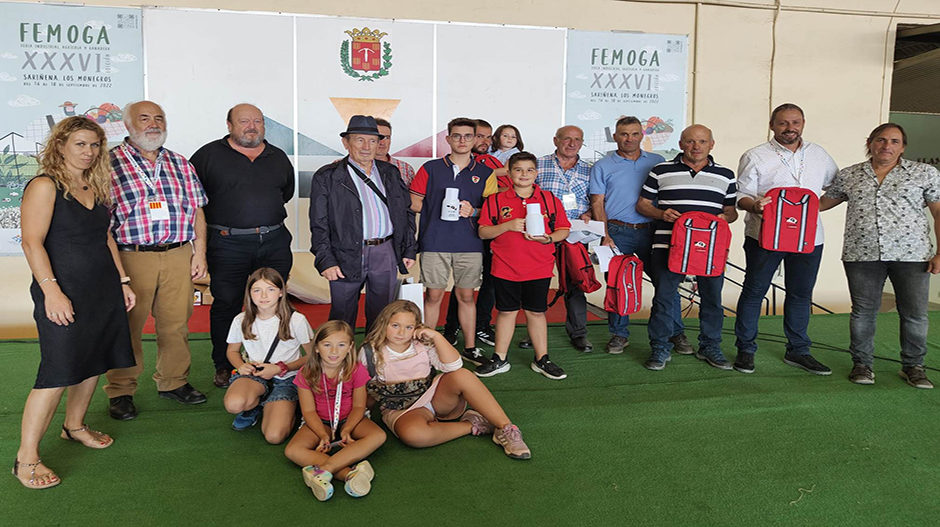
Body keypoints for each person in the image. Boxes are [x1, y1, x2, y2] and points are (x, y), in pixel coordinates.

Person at [15, 116, 136, 489]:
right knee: (57, 372)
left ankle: (74, 426)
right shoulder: (44, 185)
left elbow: (106, 238)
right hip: (63, 290)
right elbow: (31, 242)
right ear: (61, 146)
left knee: (94, 359)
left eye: (95, 145)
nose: (88, 152)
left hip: (102, 288)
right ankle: (26, 459)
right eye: (80, 144)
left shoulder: (95, 185)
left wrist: (123, 280)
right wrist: (52, 291)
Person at [105, 101, 209, 421]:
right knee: (128, 326)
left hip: (179, 253)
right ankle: (122, 390)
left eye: (159, 118)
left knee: (176, 323)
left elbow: (197, 210)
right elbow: (101, 222)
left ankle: (173, 381)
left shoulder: (180, 163)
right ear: (127, 125)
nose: (153, 124)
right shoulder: (107, 164)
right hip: (131, 255)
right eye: (145, 118)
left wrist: (200, 252)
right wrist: (119, 274)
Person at [820, 123, 940, 388]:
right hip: (862, 253)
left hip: (912, 255)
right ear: (870, 142)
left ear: (903, 147)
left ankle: (913, 367)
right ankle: (862, 365)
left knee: (915, 314)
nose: (887, 146)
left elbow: (938, 212)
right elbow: (821, 204)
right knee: (863, 312)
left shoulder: (924, 173)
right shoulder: (850, 175)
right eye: (881, 140)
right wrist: (784, 204)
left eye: (894, 141)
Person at [190, 104, 295, 389]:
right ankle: (224, 365)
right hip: (227, 244)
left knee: (273, 302)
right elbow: (194, 200)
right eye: (244, 121)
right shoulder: (207, 156)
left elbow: (285, 193)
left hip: (273, 241)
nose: (252, 126)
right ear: (229, 125)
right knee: (226, 304)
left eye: (258, 121)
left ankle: (276, 360)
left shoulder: (278, 157)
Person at [733, 103, 839, 375]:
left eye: (796, 122)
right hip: (764, 236)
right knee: (754, 292)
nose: (790, 128)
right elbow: (740, 194)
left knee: (801, 294)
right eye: (783, 123)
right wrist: (754, 206)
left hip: (809, 238)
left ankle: (798, 351)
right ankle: (745, 350)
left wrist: (815, 210)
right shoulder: (755, 155)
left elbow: (835, 187)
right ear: (772, 125)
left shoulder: (819, 154)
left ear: (803, 123)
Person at [359, 300, 531, 459]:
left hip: (434, 398)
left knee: (462, 375)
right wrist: (362, 417)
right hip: (400, 409)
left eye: (409, 327)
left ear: (416, 328)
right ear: (384, 324)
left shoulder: (423, 344)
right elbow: (362, 388)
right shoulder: (369, 352)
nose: (401, 332)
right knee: (414, 435)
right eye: (395, 325)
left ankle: (506, 428)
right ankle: (473, 424)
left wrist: (436, 336)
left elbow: (454, 366)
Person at [636, 124, 738, 371]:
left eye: (702, 141)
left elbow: (731, 211)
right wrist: (661, 213)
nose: (696, 146)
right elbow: (642, 205)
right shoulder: (661, 170)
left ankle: (710, 346)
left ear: (711, 144)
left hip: (710, 249)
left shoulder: (726, 175)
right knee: (664, 298)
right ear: (681, 144)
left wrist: (725, 218)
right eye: (691, 141)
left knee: (712, 299)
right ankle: (660, 347)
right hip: (668, 245)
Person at [590, 116, 692, 355]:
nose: (629, 139)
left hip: (653, 232)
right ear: (615, 136)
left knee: (665, 284)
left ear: (641, 136)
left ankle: (676, 333)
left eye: (634, 134)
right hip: (616, 232)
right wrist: (604, 235)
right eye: (624, 134)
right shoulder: (603, 166)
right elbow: (597, 203)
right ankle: (619, 335)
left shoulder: (657, 162)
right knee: (617, 285)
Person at [309, 115, 417, 333]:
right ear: (346, 142)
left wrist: (409, 248)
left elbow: (405, 212)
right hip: (344, 252)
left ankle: (374, 360)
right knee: (342, 314)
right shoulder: (328, 176)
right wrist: (326, 260)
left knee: (382, 314)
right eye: (359, 140)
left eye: (373, 141)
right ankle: (341, 363)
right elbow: (318, 223)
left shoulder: (390, 173)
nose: (367, 147)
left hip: (385, 251)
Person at [475, 152, 571, 379]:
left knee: (536, 313)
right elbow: (483, 231)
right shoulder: (496, 200)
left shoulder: (549, 199)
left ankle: (542, 359)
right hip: (505, 266)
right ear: (509, 173)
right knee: (506, 312)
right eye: (518, 170)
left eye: (529, 170)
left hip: (539, 267)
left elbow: (563, 230)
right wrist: (507, 226)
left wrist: (548, 238)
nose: (524, 174)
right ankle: (500, 358)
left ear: (536, 173)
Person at [410, 117, 497, 365]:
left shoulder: (485, 172)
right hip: (434, 241)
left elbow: (491, 210)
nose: (462, 140)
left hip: (469, 244)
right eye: (456, 136)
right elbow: (414, 204)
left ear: (475, 139)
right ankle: (427, 346)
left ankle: (470, 347)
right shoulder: (430, 168)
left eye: (468, 136)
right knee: (434, 296)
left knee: (467, 297)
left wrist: (475, 211)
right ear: (447, 139)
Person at [285, 320, 385, 501]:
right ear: (316, 348)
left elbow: (359, 406)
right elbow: (308, 412)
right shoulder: (306, 373)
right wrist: (322, 435)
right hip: (319, 421)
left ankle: (324, 470)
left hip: (350, 418)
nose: (333, 351)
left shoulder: (356, 370)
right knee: (293, 450)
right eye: (327, 345)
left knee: (379, 436)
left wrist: (347, 430)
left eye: (341, 345)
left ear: (349, 347)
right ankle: (349, 474)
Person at [223, 268, 310, 442]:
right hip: (255, 375)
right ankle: (255, 406)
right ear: (249, 293)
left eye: (270, 289)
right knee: (233, 404)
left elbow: (312, 356)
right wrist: (241, 366)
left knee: (274, 436)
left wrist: (281, 368)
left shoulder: (296, 319)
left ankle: (290, 407)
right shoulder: (241, 319)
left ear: (281, 292)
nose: (263, 295)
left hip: (286, 378)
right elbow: (232, 351)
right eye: (257, 290)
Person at [442, 118, 506, 348]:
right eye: (480, 136)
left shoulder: (488, 165)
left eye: (489, 137)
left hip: (489, 234)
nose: (485, 141)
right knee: (462, 287)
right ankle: (451, 328)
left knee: (489, 282)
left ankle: (481, 326)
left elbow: (494, 205)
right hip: (463, 236)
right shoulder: (458, 166)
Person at [536, 125, 594, 352]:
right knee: (537, 283)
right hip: (543, 235)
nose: (572, 143)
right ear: (555, 140)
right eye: (567, 139)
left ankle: (578, 333)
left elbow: (597, 200)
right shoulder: (538, 165)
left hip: (575, 235)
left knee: (575, 283)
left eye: (577, 139)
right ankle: (534, 330)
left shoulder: (590, 170)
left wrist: (589, 213)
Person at [374, 118, 416, 186]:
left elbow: (411, 196)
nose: (382, 143)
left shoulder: (406, 168)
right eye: (379, 137)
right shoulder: (358, 167)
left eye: (387, 138)